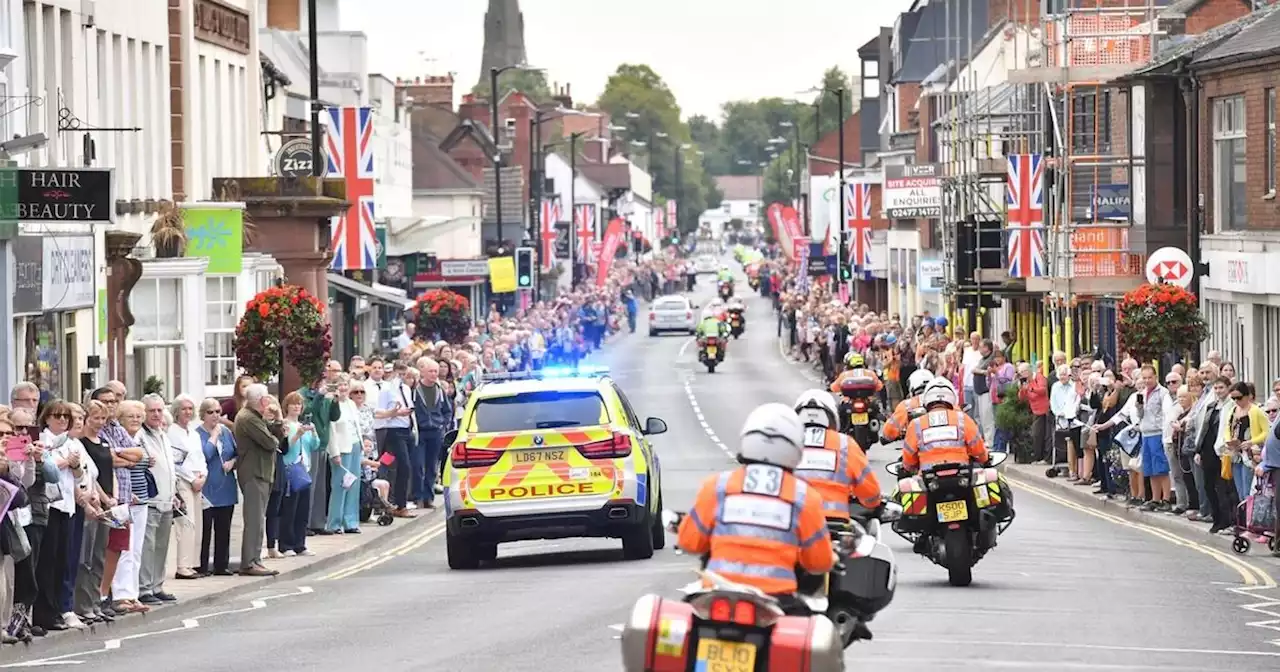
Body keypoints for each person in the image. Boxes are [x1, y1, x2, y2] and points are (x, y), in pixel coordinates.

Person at [676, 403, 834, 601]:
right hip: (776, 599)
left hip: (717, 594)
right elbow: (819, 563)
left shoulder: (717, 486)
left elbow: (689, 543)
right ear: (796, 448)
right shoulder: (805, 497)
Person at [792, 390, 882, 520]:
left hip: (795, 521)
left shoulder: (788, 441)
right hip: (836, 522)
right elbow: (871, 492)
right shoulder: (844, 443)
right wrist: (872, 503)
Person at [232, 384, 281, 577]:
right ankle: (249, 562)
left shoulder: (255, 417)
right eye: (267, 398)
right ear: (260, 400)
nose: (269, 401)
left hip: (261, 472)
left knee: (259, 518)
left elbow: (276, 436)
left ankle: (255, 560)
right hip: (254, 472)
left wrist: (277, 421)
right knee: (254, 519)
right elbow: (270, 442)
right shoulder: (248, 418)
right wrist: (274, 436)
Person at [901, 378, 989, 475]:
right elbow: (979, 450)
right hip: (962, 476)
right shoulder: (962, 418)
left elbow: (908, 460)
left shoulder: (916, 423)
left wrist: (908, 468)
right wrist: (985, 459)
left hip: (928, 479)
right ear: (952, 398)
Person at [881, 369, 934, 443]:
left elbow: (888, 431)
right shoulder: (944, 402)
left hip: (917, 450)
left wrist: (886, 437)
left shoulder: (906, 405)